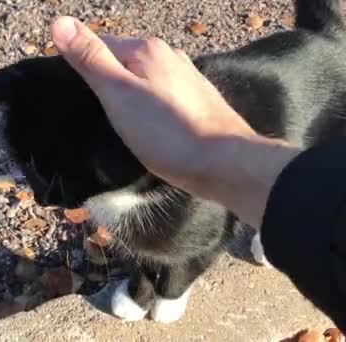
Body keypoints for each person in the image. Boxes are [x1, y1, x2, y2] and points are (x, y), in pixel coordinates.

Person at [48, 16, 345, 331]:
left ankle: (169, 292)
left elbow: (206, 243)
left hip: (325, 84)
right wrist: (285, 216)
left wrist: (172, 292)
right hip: (294, 88)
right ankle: (143, 291)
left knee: (178, 245)